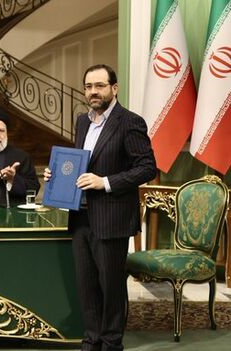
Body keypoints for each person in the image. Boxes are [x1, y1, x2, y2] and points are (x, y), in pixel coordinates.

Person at [44, 64, 156, 351]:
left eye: (100, 86)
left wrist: (104, 182)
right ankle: (92, 339)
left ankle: (111, 342)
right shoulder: (83, 121)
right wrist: (56, 175)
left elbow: (146, 169)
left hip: (112, 217)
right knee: (87, 285)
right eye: (88, 86)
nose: (93, 92)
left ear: (114, 88)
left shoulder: (130, 122)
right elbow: (80, 164)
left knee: (112, 286)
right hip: (80, 217)